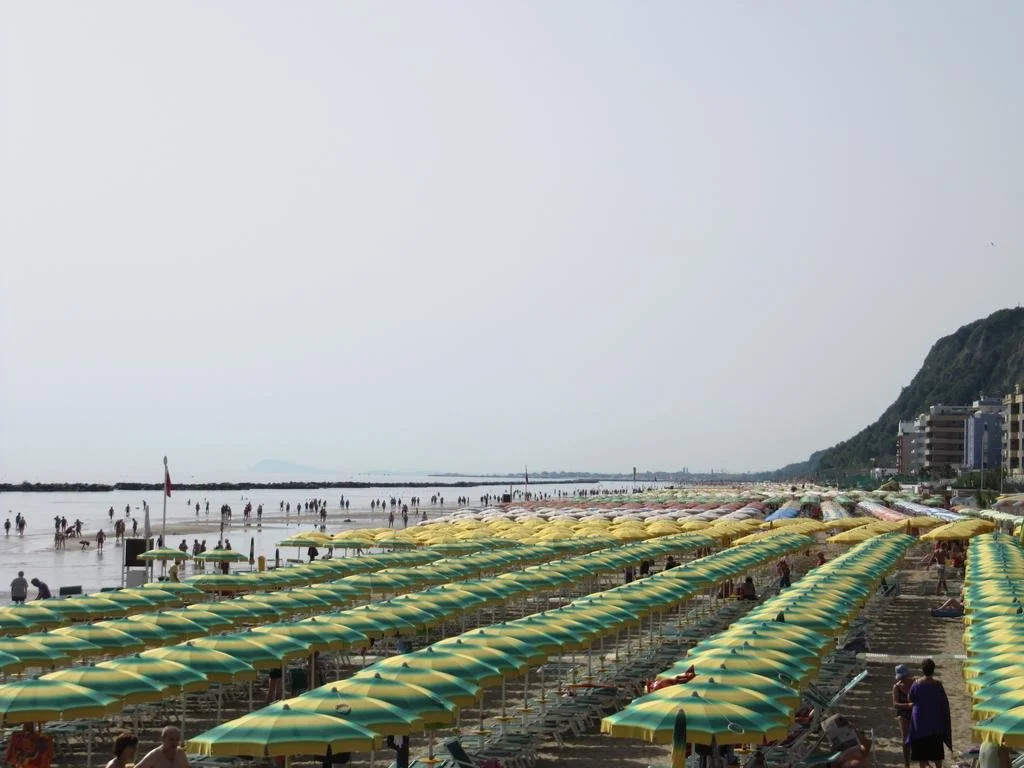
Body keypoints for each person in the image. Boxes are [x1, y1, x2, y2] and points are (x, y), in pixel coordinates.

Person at [907, 658, 952, 768]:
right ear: (933, 670)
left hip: (920, 724)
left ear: (922, 670)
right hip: (935, 724)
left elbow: (910, 698)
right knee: (937, 757)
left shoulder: (916, 684)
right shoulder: (937, 685)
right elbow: (944, 703)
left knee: (922, 758)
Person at [893, 664, 915, 768]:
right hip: (903, 713)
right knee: (905, 738)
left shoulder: (915, 683)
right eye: (900, 677)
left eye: (903, 677)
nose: (902, 679)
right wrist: (908, 705)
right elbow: (895, 704)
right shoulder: (896, 687)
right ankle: (907, 764)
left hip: (915, 712)